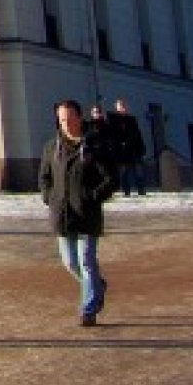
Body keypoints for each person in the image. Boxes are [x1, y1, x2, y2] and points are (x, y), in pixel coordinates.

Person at [42, 98, 117, 325]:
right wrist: (49, 197)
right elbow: (44, 177)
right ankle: (96, 284)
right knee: (70, 263)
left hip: (86, 214)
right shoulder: (51, 147)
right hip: (62, 214)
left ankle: (89, 309)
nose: (65, 123)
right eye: (62, 119)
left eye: (69, 117)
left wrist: (92, 197)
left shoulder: (94, 145)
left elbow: (111, 178)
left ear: (79, 116)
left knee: (86, 260)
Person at [106, 98, 149, 196]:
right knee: (124, 172)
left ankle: (141, 191)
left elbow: (137, 134)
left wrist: (141, 148)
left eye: (123, 105)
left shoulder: (131, 119)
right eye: (120, 106)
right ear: (116, 107)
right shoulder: (113, 120)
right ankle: (126, 192)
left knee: (139, 172)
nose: (123, 107)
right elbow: (113, 135)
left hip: (134, 150)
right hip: (122, 150)